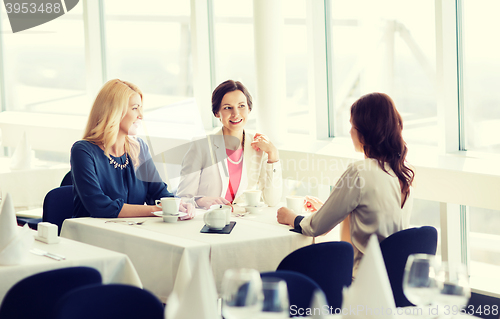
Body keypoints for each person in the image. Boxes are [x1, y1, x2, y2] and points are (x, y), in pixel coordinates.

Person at [277, 92, 415, 276]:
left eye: (353, 125)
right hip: (396, 278)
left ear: (366, 132)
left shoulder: (360, 171)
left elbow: (316, 227)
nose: (350, 131)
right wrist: (333, 210)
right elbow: (377, 218)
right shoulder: (402, 173)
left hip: (364, 278)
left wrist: (292, 217)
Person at [71, 79, 189, 218]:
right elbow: (100, 207)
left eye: (140, 108)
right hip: (93, 234)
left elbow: (159, 193)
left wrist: (178, 204)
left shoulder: (139, 148)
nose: (141, 115)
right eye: (135, 108)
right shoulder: (83, 151)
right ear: (114, 111)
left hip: (130, 231)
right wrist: (156, 209)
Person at [177, 80, 282, 209]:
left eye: (241, 106)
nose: (236, 114)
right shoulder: (201, 146)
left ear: (249, 108)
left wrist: (273, 155)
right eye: (228, 108)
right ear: (216, 113)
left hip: (242, 222)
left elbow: (272, 201)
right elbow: (182, 199)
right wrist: (200, 201)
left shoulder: (258, 148)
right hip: (207, 222)